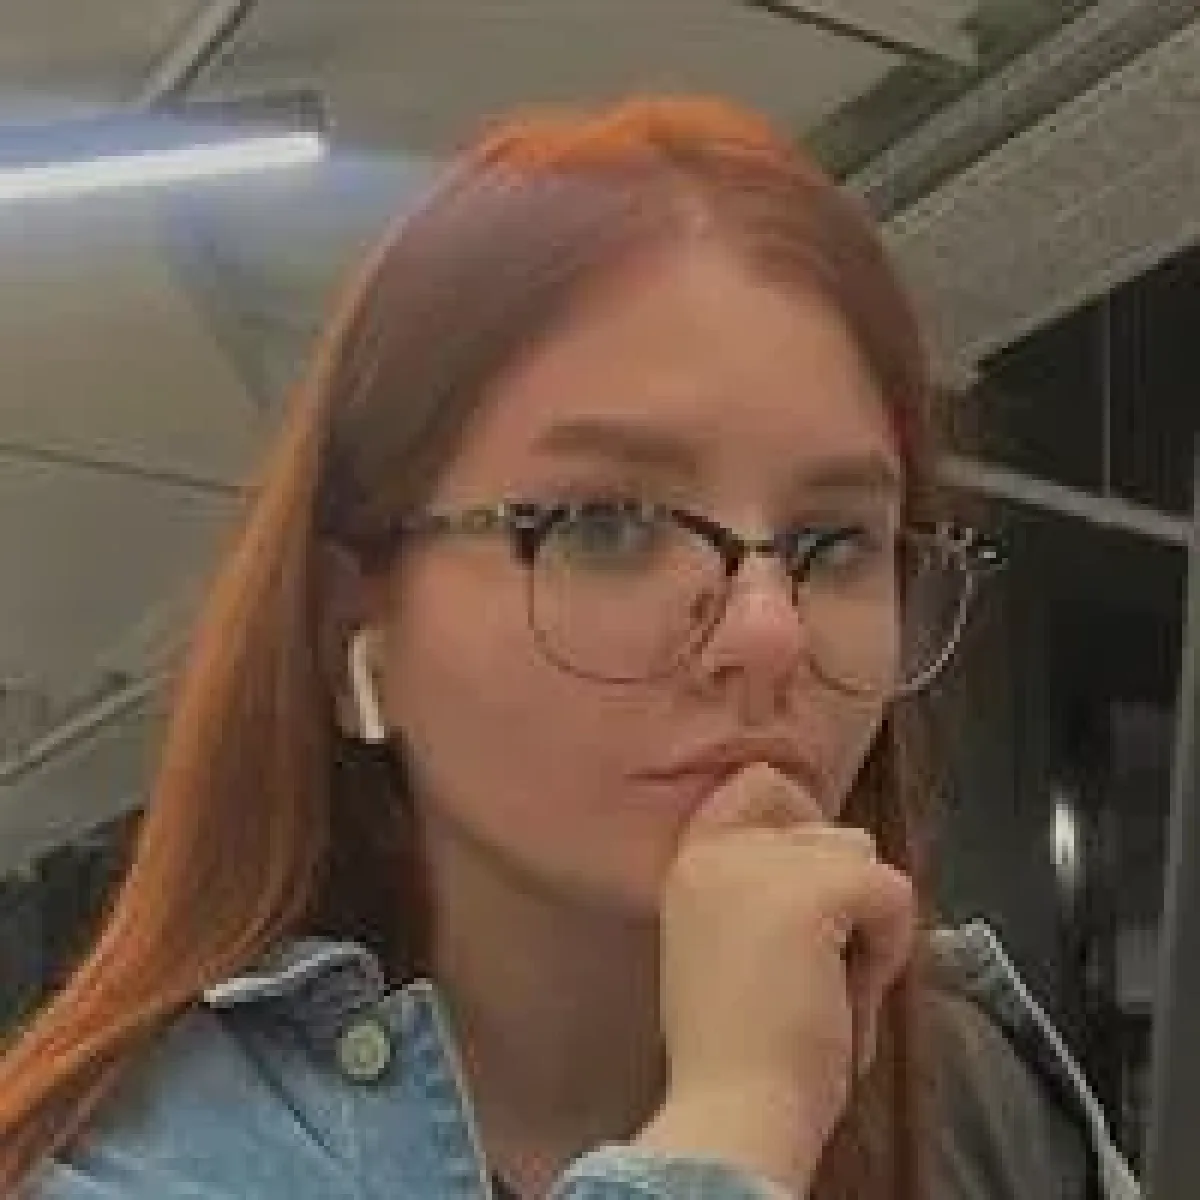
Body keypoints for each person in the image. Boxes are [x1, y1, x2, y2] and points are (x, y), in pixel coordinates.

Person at [0, 96, 1138, 1200]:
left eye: (834, 542)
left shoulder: (965, 1100)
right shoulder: (140, 1166)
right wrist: (738, 1128)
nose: (768, 630)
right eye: (608, 526)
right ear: (357, 627)